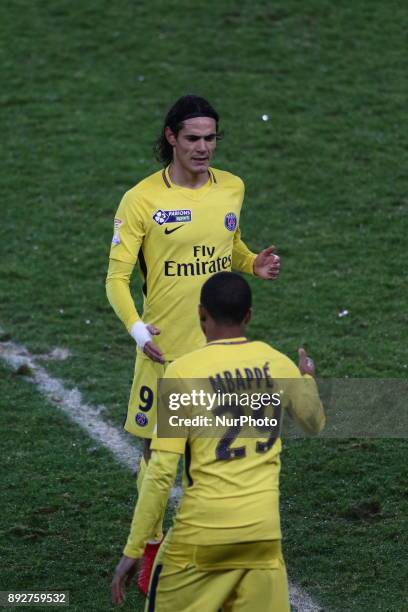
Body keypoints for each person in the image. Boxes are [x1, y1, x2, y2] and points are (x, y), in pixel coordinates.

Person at [106, 95, 280, 591]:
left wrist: (251, 263)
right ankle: (152, 553)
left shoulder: (232, 188)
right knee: (153, 462)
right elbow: (116, 279)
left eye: (211, 138)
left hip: (217, 354)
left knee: (208, 463)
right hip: (162, 353)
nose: (204, 148)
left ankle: (211, 552)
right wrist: (139, 331)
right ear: (171, 138)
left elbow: (230, 241)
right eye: (193, 139)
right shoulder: (141, 200)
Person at [111, 272, 325, 611]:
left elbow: (161, 473)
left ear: (200, 314)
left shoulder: (182, 373)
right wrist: (307, 376)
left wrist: (133, 548)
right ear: (249, 316)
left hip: (200, 539)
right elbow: (314, 422)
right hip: (263, 537)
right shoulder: (278, 363)